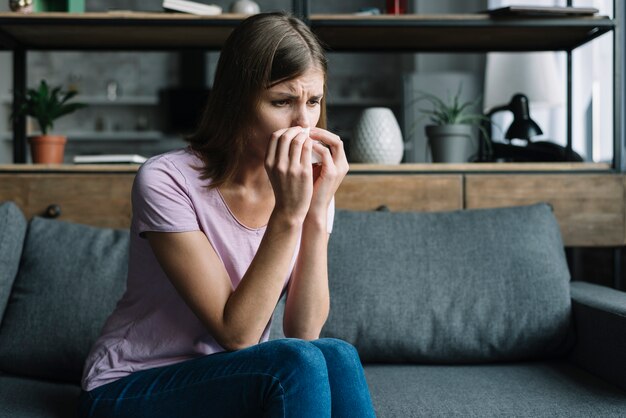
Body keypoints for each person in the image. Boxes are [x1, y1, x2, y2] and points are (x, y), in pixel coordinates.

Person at [78, 12, 376, 418]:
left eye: (313, 101)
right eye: (282, 101)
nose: (304, 123)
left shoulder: (305, 188)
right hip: (129, 385)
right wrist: (290, 214)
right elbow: (236, 334)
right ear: (237, 103)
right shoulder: (166, 180)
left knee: (336, 355)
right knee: (295, 364)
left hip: (230, 378)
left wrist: (318, 211)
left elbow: (304, 332)